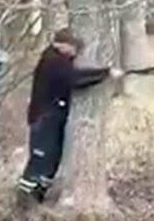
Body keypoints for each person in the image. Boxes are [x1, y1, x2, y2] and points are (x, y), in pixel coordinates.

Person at [16, 27, 123, 208]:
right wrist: (106, 73)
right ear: (63, 45)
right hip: (44, 118)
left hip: (52, 118)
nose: (75, 54)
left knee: (51, 162)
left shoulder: (59, 59)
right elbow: (75, 79)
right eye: (73, 49)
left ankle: (37, 199)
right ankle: (24, 201)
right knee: (40, 160)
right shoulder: (53, 62)